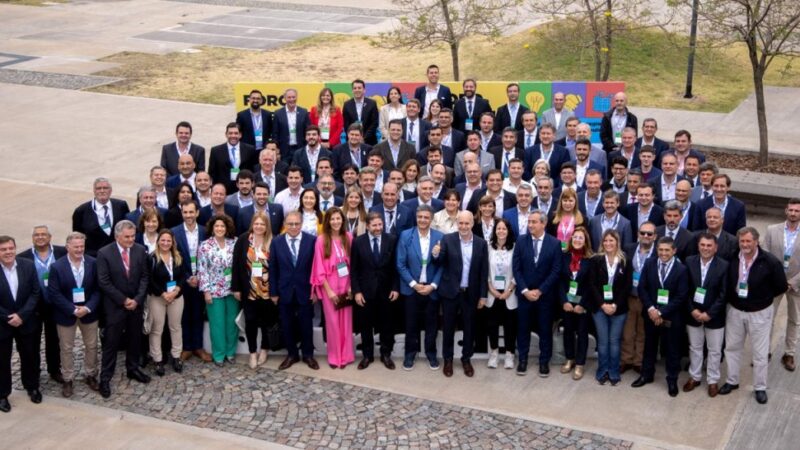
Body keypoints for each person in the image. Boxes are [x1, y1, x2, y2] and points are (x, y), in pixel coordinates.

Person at [720, 227, 788, 404]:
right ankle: (732, 381)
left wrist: (761, 298)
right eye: (742, 241)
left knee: (759, 352)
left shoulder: (770, 262)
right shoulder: (732, 257)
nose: (745, 244)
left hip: (759, 313)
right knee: (732, 348)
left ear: (756, 241)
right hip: (735, 311)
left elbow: (781, 286)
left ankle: (760, 387)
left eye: (748, 241)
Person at [96, 220, 150, 399]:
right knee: (111, 343)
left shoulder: (140, 250)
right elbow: (104, 282)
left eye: (133, 236)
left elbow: (144, 277)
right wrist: (123, 300)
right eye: (127, 237)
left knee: (135, 339)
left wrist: (136, 300)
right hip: (114, 307)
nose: (130, 240)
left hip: (135, 305)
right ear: (117, 236)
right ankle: (105, 378)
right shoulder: (104, 253)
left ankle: (133, 368)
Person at [431, 211, 489, 377]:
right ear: (457, 223)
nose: (463, 226)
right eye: (460, 223)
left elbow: (484, 272)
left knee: (470, 328)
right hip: (450, 293)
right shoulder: (447, 239)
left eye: (467, 223)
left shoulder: (481, 243)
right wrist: (435, 253)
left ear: (472, 224)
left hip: (470, 293)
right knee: (448, 327)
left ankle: (466, 359)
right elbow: (438, 261)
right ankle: (448, 360)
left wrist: (483, 296)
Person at [633, 236, 689, 397]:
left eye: (667, 250)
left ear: (674, 251)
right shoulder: (650, 264)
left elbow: (681, 296)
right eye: (660, 250)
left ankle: (672, 380)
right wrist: (651, 309)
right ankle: (646, 375)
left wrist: (661, 312)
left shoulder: (681, 269)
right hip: (650, 313)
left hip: (671, 316)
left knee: (672, 349)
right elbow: (642, 288)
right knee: (649, 345)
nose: (663, 253)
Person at [47, 232, 101, 398]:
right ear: (67, 247)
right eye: (76, 246)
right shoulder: (57, 267)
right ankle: (68, 379)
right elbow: (54, 293)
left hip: (89, 313)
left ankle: (90, 374)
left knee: (91, 345)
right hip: (66, 314)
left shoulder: (93, 263)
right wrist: (72, 309)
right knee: (66, 348)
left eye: (82, 246)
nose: (79, 249)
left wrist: (88, 307)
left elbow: (98, 289)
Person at [512, 211, 563, 376]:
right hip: (525, 295)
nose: (530, 225)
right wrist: (525, 290)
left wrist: (541, 290)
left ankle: (544, 362)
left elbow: (556, 271)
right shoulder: (521, 241)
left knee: (545, 330)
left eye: (534, 222)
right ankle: (523, 360)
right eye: (529, 222)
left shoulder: (554, 243)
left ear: (543, 223)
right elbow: (516, 268)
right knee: (522, 329)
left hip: (545, 296)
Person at [17, 225, 66, 385]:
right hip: (34, 307)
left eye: (43, 234)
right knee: (32, 341)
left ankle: (54, 369)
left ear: (50, 237)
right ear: (32, 238)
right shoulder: (23, 257)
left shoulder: (61, 252)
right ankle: (34, 371)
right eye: (36, 235)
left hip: (55, 304)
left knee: (54, 339)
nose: (40, 237)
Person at [397, 205, 444, 370]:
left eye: (426, 217)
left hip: (431, 289)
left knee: (432, 325)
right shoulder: (406, 235)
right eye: (420, 217)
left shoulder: (440, 237)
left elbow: (442, 266)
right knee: (411, 324)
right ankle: (410, 353)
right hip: (411, 289)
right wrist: (414, 284)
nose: (423, 220)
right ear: (416, 218)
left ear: (431, 219)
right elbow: (400, 264)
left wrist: (433, 285)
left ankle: (431, 354)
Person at [351, 213, 400, 370]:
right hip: (365, 292)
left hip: (386, 291)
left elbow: (396, 267)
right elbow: (354, 269)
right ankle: (367, 356)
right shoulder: (358, 242)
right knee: (366, 326)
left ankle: (386, 355)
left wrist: (395, 287)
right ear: (367, 226)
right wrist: (357, 291)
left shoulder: (391, 240)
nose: (378, 228)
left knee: (387, 324)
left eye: (380, 225)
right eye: (375, 225)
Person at [0, 235, 42, 412]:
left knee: (30, 355)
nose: (8, 252)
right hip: (2, 324)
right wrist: (9, 317)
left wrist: (22, 315)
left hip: (26, 321)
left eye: (11, 248)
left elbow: (35, 292)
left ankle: (32, 387)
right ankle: (2, 394)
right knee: (2, 360)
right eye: (3, 249)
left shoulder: (27, 265)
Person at [684, 233, 729, 397]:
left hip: (714, 316)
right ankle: (694, 377)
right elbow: (684, 290)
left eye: (709, 245)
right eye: (703, 245)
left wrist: (709, 313)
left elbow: (724, 294)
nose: (706, 248)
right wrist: (692, 310)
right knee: (695, 348)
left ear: (715, 248)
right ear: (698, 246)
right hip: (693, 314)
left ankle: (712, 380)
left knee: (715, 350)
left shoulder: (724, 266)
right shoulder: (689, 262)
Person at [310, 207, 355, 369]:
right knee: (333, 324)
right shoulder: (321, 240)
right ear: (327, 221)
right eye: (332, 219)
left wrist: (351, 286)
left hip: (347, 284)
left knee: (346, 323)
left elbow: (354, 265)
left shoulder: (348, 237)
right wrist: (329, 291)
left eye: (338, 218)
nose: (336, 222)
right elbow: (319, 268)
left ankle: (347, 355)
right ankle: (335, 357)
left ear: (343, 220)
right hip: (330, 286)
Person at [232, 212, 276, 370]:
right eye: (256, 223)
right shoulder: (244, 239)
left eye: (262, 224)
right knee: (250, 322)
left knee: (266, 322)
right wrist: (236, 288)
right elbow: (236, 264)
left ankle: (264, 350)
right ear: (252, 224)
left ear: (267, 227)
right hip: (248, 289)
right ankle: (252, 353)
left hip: (267, 290)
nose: (259, 227)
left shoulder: (272, 241)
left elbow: (276, 267)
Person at [588, 229, 631, 385]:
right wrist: (602, 304)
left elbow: (627, 286)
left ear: (617, 242)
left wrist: (614, 304)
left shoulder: (625, 259)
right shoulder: (596, 260)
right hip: (599, 307)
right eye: (605, 241)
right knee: (603, 340)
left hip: (618, 308)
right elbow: (592, 285)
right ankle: (602, 370)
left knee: (614, 340)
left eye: (611, 240)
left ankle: (613, 371)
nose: (608, 244)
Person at [170, 201, 212, 363]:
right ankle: (186, 347)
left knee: (198, 313)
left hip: (202, 279)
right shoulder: (175, 232)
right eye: (185, 212)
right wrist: (187, 277)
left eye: (191, 212)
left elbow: (209, 256)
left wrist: (200, 276)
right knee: (184, 314)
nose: (188, 215)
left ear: (197, 213)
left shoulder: (204, 231)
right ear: (182, 213)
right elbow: (174, 259)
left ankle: (198, 346)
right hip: (183, 280)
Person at [197, 214, 239, 366]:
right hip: (214, 290)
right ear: (212, 228)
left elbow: (239, 267)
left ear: (227, 228)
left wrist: (239, 288)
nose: (220, 228)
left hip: (232, 290)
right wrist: (206, 291)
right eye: (217, 226)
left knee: (232, 323)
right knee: (217, 324)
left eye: (222, 226)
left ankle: (230, 352)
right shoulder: (205, 246)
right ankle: (219, 355)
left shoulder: (234, 243)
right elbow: (202, 270)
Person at [765, 199, 800, 372]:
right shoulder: (772, 230)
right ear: (786, 211)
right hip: (774, 283)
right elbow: (765, 257)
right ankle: (765, 351)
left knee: (794, 320)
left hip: (797, 284)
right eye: (791, 210)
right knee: (768, 318)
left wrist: (792, 282)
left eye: (797, 211)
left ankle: (789, 353)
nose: (793, 213)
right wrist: (778, 281)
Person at [146, 229, 186, 376]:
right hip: (158, 298)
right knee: (157, 329)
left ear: (172, 242)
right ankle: (157, 359)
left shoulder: (178, 256)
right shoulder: (151, 258)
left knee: (175, 327)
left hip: (176, 296)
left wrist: (176, 291)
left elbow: (183, 275)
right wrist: (163, 293)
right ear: (158, 241)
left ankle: (176, 356)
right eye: (163, 240)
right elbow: (150, 280)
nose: (165, 243)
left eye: (168, 240)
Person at [621, 221, 657, 373]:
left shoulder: (658, 252)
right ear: (638, 234)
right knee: (627, 332)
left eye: (649, 234)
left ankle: (638, 361)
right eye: (643, 233)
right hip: (630, 296)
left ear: (655, 236)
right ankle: (626, 360)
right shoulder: (629, 248)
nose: (646, 236)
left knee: (642, 332)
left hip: (647, 299)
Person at [559, 226, 594, 381]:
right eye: (575, 237)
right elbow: (559, 281)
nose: (577, 240)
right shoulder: (564, 256)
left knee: (582, 333)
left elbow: (591, 285)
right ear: (571, 239)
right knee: (568, 331)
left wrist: (583, 305)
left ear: (585, 241)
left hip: (582, 305)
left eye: (581, 238)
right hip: (567, 303)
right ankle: (569, 359)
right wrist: (564, 301)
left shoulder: (590, 259)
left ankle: (580, 364)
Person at [485, 219, 518, 369]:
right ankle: (494, 354)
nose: (501, 231)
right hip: (492, 293)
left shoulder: (515, 248)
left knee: (510, 326)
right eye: (498, 228)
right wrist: (491, 288)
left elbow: (518, 271)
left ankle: (510, 355)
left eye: (504, 229)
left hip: (509, 293)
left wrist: (509, 290)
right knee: (492, 325)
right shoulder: (488, 248)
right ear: (495, 231)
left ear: (508, 231)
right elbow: (484, 270)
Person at [72, 177, 131, 257]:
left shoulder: (121, 206)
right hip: (94, 257)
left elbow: (127, 228)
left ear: (110, 190)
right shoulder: (81, 211)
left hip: (118, 255)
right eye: (98, 188)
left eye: (105, 188)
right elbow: (77, 236)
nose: (102, 191)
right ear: (94, 191)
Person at [208, 122, 257, 195]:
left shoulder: (250, 149)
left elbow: (253, 170)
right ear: (226, 134)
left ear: (240, 135)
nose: (233, 136)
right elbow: (212, 173)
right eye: (230, 133)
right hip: (223, 191)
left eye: (236, 133)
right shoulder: (216, 151)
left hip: (244, 189)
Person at [272, 88, 310, 160]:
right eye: (289, 97)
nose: (291, 99)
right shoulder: (278, 113)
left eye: (293, 97)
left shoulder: (303, 112)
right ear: (285, 99)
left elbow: (307, 131)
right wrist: (277, 151)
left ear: (296, 97)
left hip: (300, 149)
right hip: (284, 150)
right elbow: (275, 134)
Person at [343, 79, 379, 145]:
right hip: (352, 140)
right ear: (352, 90)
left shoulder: (372, 103)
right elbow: (346, 125)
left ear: (364, 90)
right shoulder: (347, 105)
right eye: (355, 88)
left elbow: (374, 123)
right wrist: (354, 137)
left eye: (359, 88)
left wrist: (363, 138)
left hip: (369, 141)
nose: (357, 90)